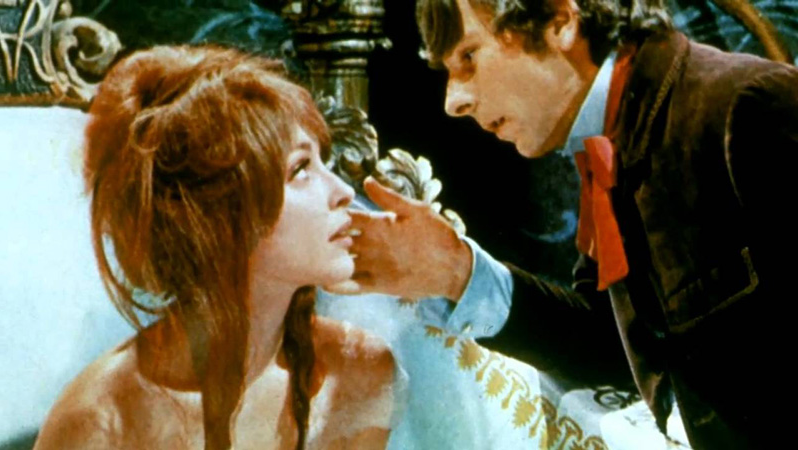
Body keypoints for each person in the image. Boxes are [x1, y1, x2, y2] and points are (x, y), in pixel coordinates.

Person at [341, 0, 798, 448]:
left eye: (469, 56)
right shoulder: (613, 136)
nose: (454, 101)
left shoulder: (746, 107)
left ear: (560, 21)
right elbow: (615, 348)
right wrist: (458, 272)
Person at [33, 45, 397, 450]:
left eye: (322, 162)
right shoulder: (100, 421)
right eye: (300, 169)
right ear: (221, 217)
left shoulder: (358, 374)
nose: (343, 192)